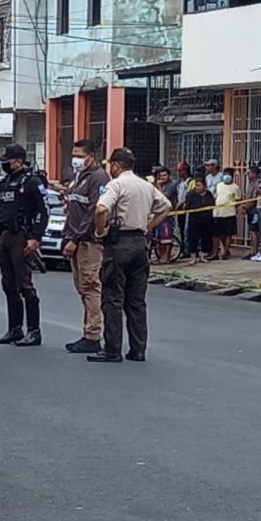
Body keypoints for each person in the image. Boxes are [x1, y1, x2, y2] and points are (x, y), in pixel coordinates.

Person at [87, 147, 172, 363]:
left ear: (116, 165)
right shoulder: (145, 185)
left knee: (113, 298)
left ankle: (112, 349)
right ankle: (138, 349)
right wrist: (148, 226)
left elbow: (100, 209)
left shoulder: (115, 185)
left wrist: (99, 231)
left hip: (118, 243)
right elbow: (166, 206)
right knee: (136, 301)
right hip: (140, 244)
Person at [0, 144, 49, 347]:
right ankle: (14, 329)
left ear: (19, 161)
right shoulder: (6, 182)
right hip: (5, 236)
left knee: (25, 284)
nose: (5, 164)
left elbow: (44, 211)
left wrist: (36, 238)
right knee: (9, 285)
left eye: (9, 160)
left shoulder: (32, 181)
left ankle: (34, 331)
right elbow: (0, 212)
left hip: (22, 236)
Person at [61, 139, 110, 354]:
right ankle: (87, 332)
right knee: (82, 288)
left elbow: (94, 212)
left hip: (88, 241)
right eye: (74, 155)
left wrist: (76, 239)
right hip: (75, 238)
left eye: (80, 156)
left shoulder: (99, 177)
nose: (76, 160)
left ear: (91, 156)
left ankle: (93, 335)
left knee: (91, 287)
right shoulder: (79, 176)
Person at [184, 178, 215, 264]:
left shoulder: (209, 194)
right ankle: (193, 257)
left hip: (207, 220)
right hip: (194, 220)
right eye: (196, 185)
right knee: (192, 238)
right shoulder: (191, 194)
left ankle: (202, 256)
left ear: (204, 186)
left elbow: (212, 204)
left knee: (206, 238)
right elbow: (186, 206)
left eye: (199, 185)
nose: (197, 187)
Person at [212, 171, 242, 260]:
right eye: (225, 175)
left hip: (229, 213)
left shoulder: (235, 187)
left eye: (228, 175)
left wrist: (232, 205)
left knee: (228, 234)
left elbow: (238, 200)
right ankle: (217, 252)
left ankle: (225, 253)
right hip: (218, 213)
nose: (226, 177)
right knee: (218, 234)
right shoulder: (219, 185)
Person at [175, 161, 194, 259]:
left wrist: (184, 203)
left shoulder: (191, 182)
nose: (179, 173)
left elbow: (190, 195)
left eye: (180, 171)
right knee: (181, 230)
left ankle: (188, 250)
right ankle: (183, 249)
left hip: (188, 209)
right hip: (180, 210)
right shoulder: (179, 183)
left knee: (188, 231)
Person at [241, 166, 261, 259]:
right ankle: (252, 250)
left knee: (254, 231)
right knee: (251, 231)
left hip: (255, 210)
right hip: (249, 209)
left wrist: (245, 206)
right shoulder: (250, 183)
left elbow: (254, 198)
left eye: (249, 172)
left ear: (254, 174)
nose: (248, 174)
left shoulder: (257, 183)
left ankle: (254, 251)